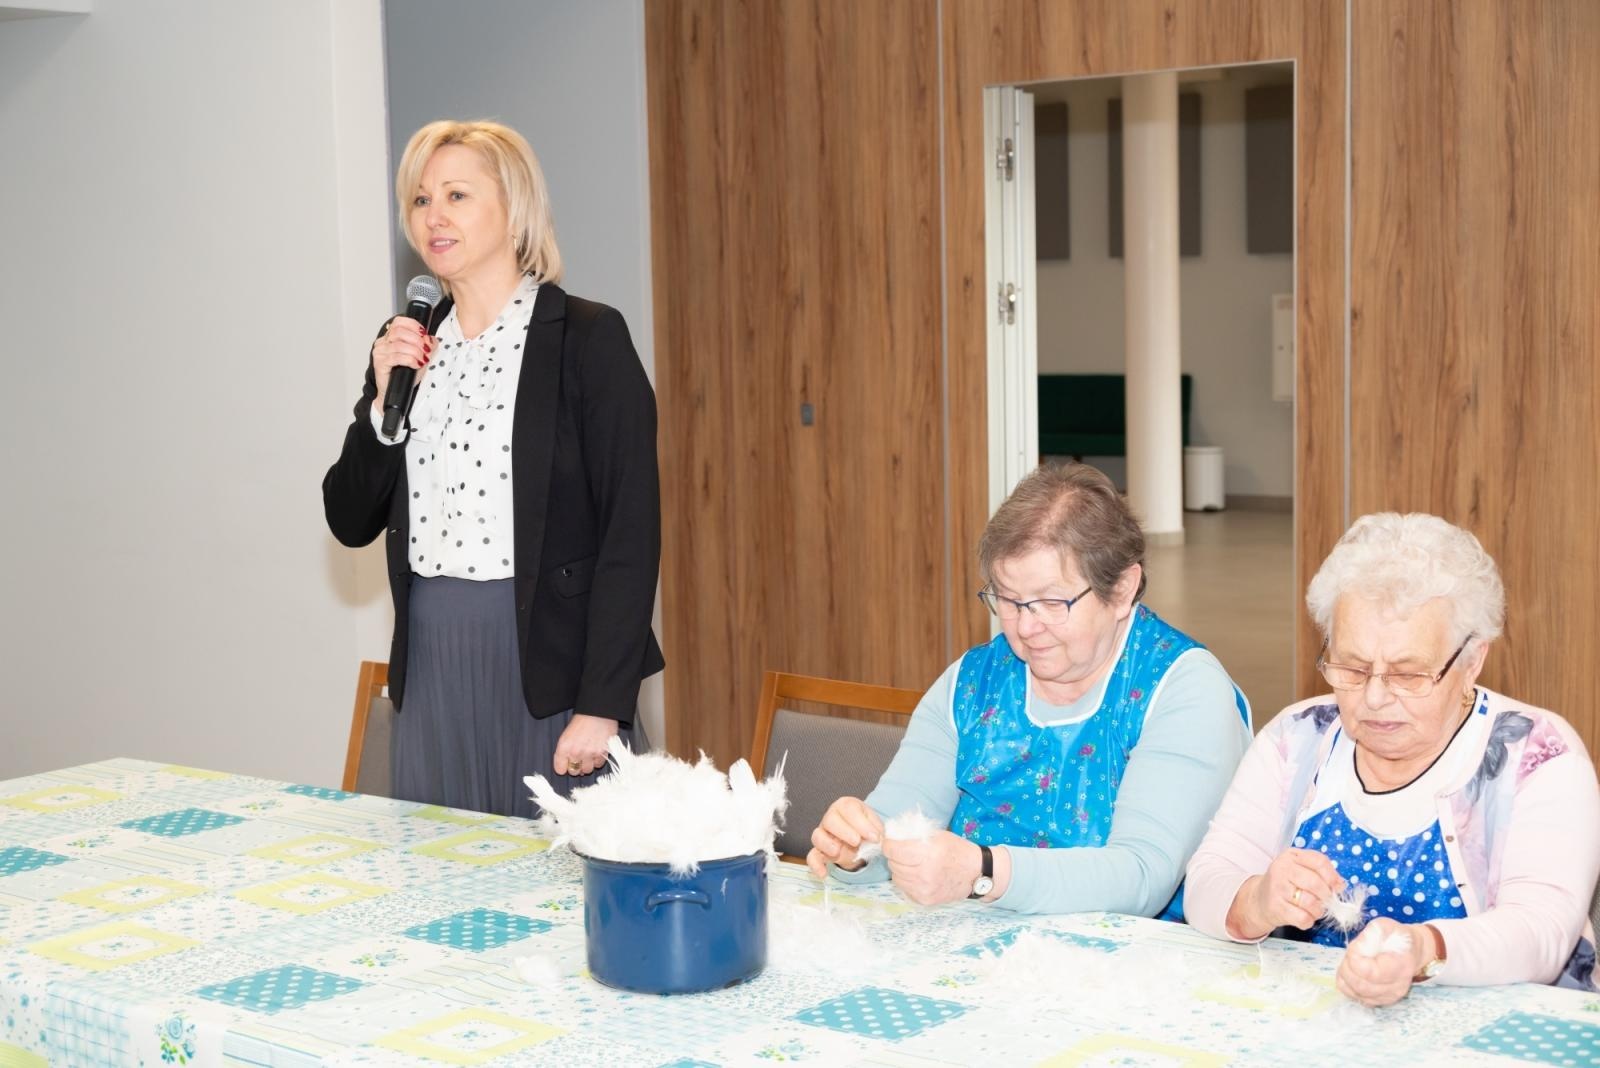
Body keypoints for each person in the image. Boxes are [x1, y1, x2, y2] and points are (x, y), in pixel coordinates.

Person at [323, 120, 663, 817]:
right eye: (420, 201)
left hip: (548, 668)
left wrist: (603, 705)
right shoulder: (404, 349)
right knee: (442, 886)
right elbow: (349, 519)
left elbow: (630, 538)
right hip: (434, 654)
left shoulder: (589, 341)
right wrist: (383, 411)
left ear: (515, 209)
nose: (434, 216)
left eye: (456, 195)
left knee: (557, 899)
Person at [1185, 513, 1600, 1005]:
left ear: (1472, 661)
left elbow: (1540, 933)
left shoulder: (1537, 755)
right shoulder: (1297, 739)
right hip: (1312, 1025)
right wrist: (1255, 900)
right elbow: (1208, 880)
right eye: (1353, 668)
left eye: (1408, 674)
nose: (1376, 698)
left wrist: (1425, 948)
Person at [806, 462, 1252, 916]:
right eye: (1008, 600)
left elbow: (1141, 877)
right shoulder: (972, 683)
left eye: (1051, 602)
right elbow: (895, 825)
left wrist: (982, 871)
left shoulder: (1183, 689)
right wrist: (856, 848)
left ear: (1121, 589)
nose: (1025, 627)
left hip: (1130, 968)